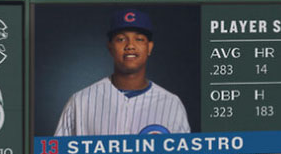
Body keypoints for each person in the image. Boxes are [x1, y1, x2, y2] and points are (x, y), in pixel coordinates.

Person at [54, 8, 190, 136]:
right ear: (110, 47)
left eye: (139, 39)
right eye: (121, 39)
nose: (130, 46)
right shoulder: (80, 102)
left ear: (149, 47)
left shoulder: (171, 103)